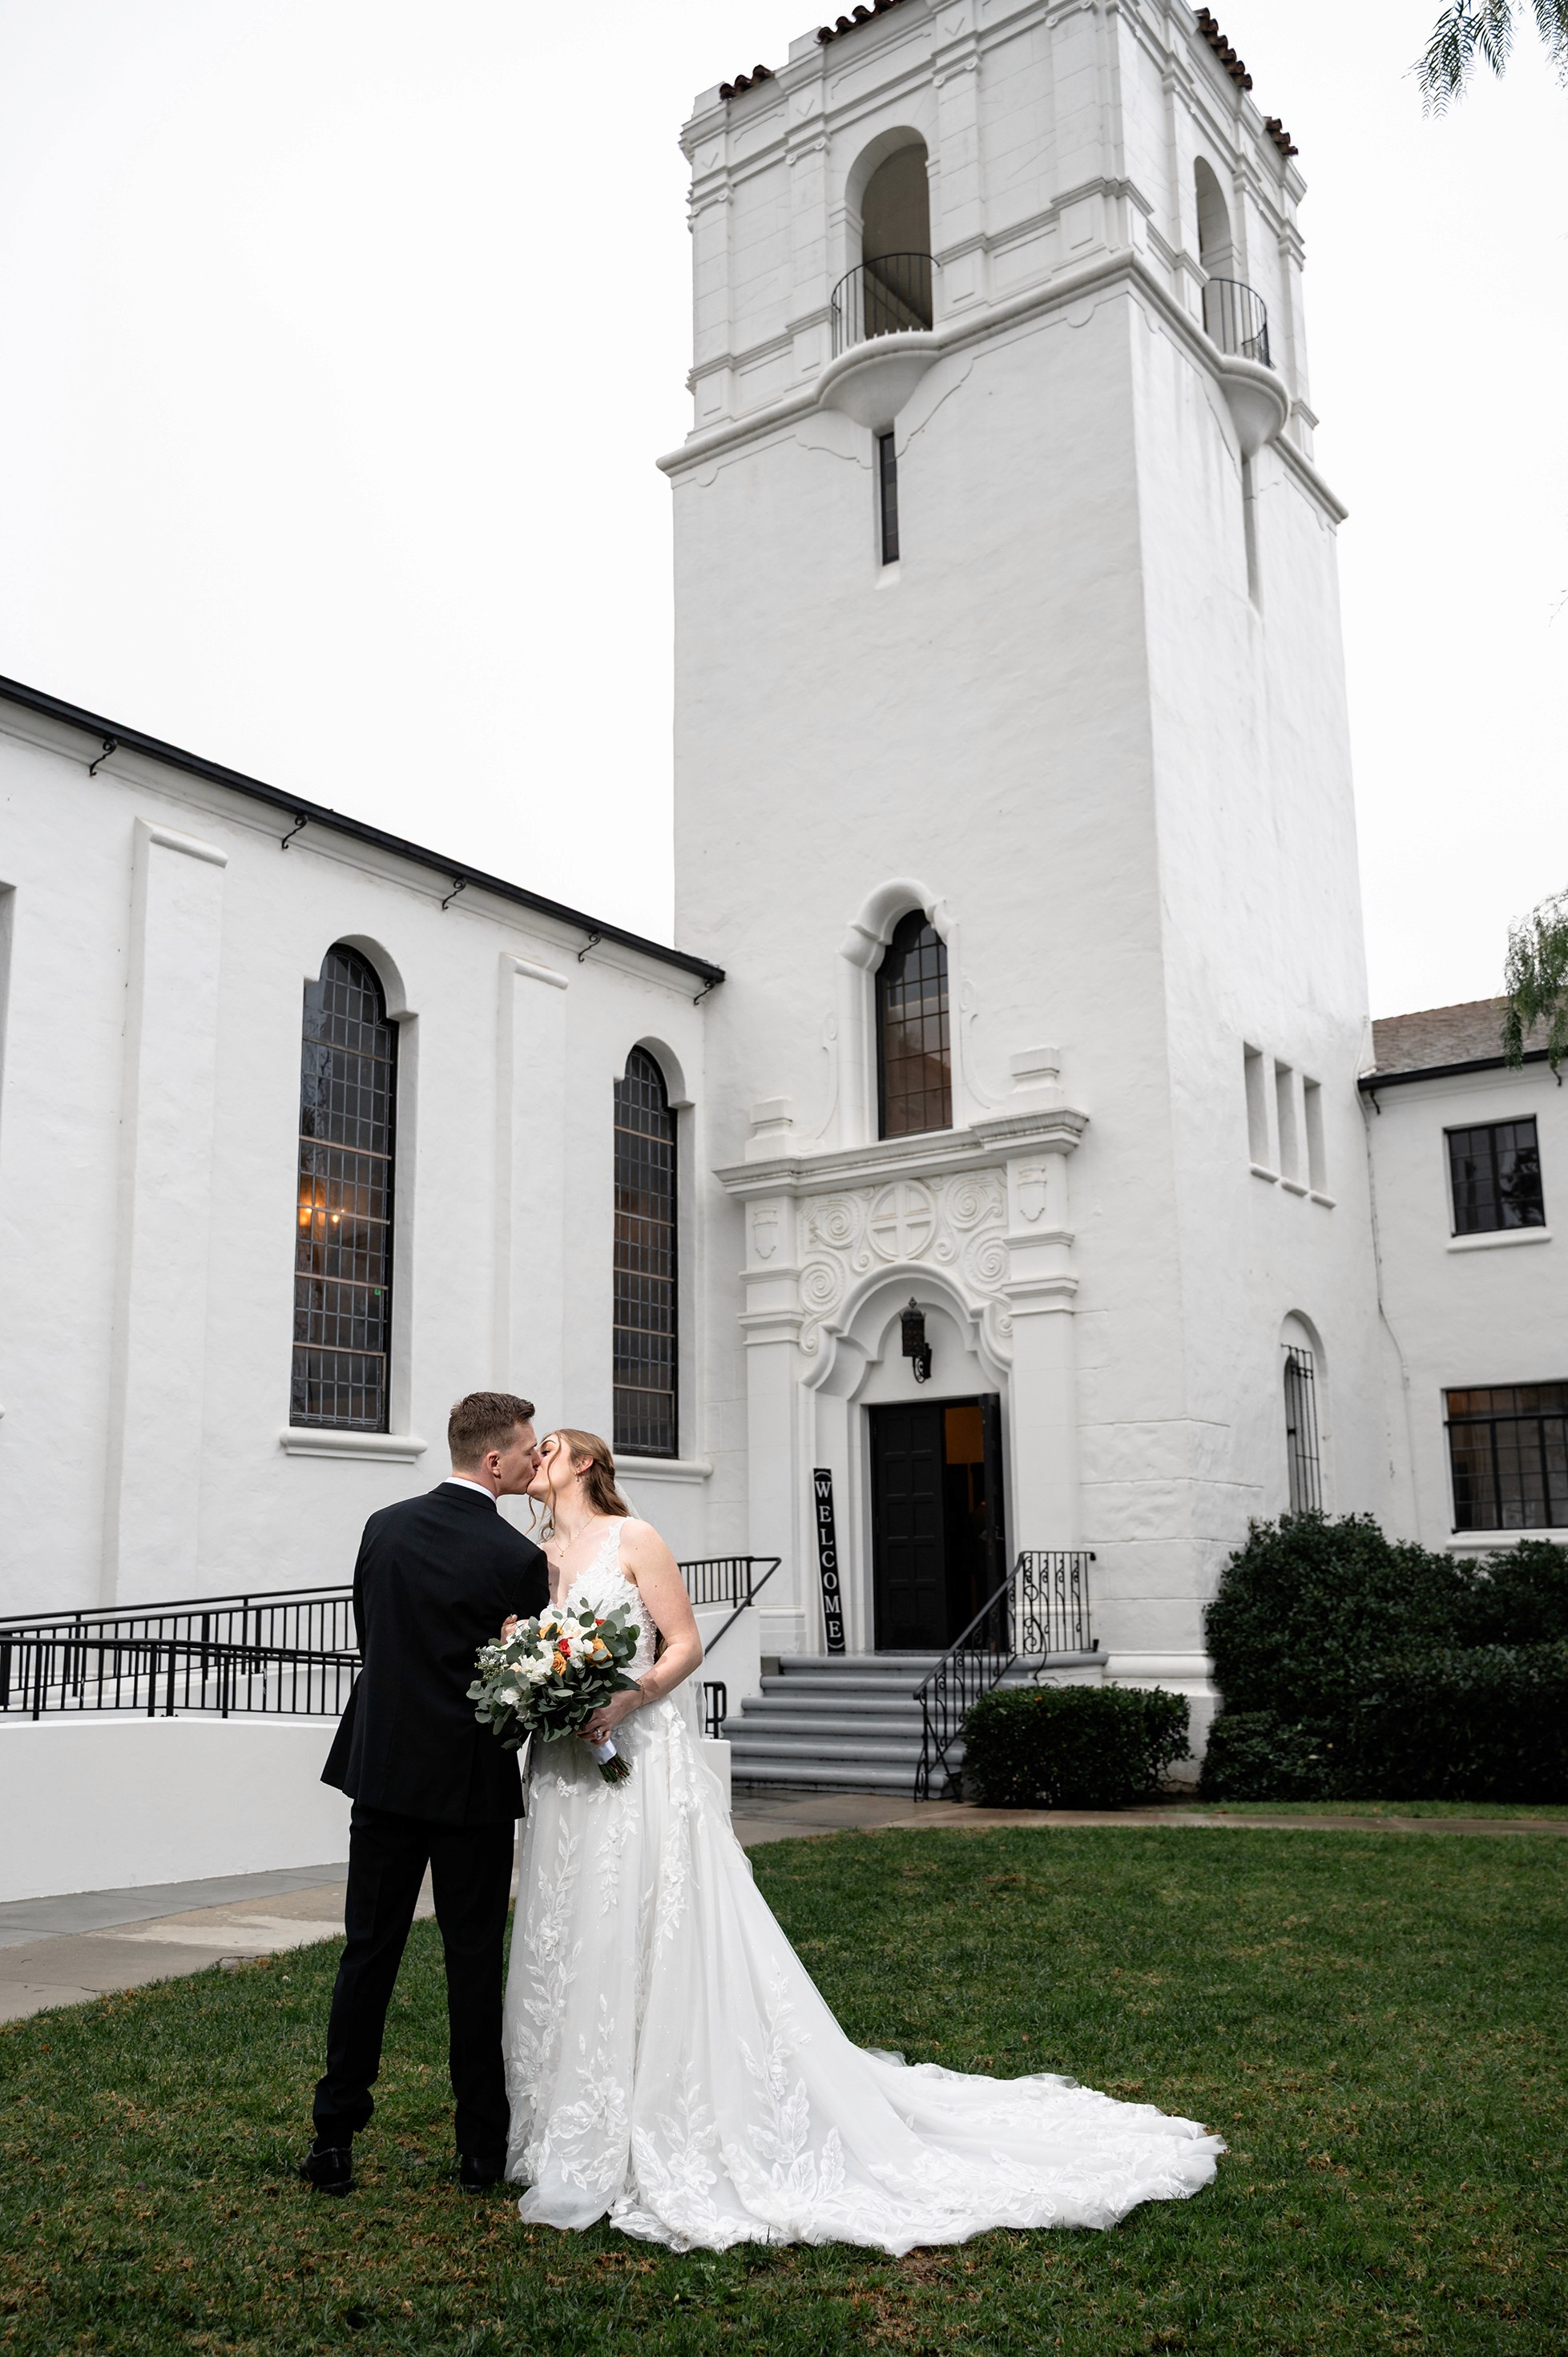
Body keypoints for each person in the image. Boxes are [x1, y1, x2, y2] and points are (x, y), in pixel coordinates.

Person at [502, 1430, 1224, 2253]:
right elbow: (531, 1643)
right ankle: (578, 2106)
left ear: (587, 1462)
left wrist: (629, 1697)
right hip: (566, 1768)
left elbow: (685, 1644)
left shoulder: (636, 1537)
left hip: (637, 1752)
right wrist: (534, 1679)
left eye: (551, 1445)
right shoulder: (539, 1550)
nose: (539, 1455)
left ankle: (668, 2098)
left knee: (652, 1915)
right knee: (577, 1922)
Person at [301, 1390, 549, 2198]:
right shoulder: (516, 1558)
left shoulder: (384, 1525)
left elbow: (373, 1633)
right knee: (472, 1961)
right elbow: (519, 1677)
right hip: (470, 1782)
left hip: (383, 1767)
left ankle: (333, 2135)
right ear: (493, 1461)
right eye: (526, 1449)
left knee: (367, 1949)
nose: (532, 1460)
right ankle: (481, 2149)